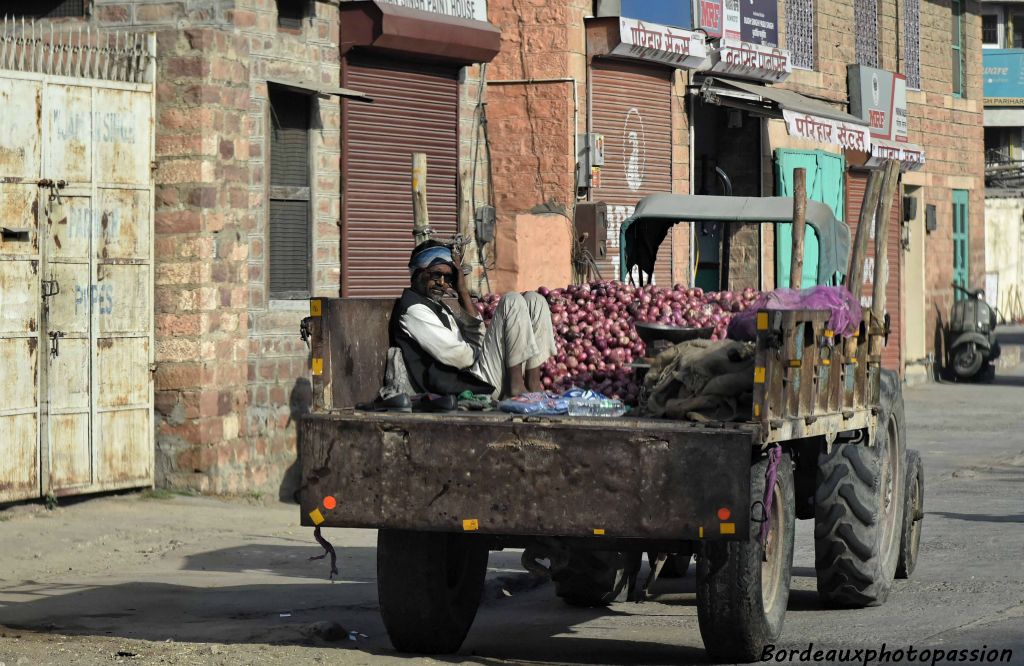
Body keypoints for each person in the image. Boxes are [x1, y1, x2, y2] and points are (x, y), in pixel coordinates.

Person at [389, 240, 556, 399]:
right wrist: (486, 349)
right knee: (511, 301)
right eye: (436, 274)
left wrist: (462, 292)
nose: (442, 282)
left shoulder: (439, 307)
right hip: (471, 385)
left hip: (481, 374)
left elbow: (478, 336)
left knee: (536, 300)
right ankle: (515, 389)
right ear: (417, 273)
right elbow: (460, 357)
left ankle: (534, 385)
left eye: (448, 278)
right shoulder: (414, 310)